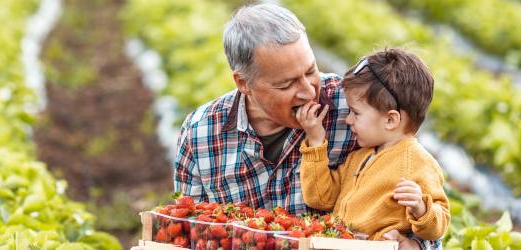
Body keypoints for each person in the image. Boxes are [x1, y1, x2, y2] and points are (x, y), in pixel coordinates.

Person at [172, 3, 440, 249]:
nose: (308, 92)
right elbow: (187, 234)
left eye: (311, 71)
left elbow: (419, 198)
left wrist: (415, 246)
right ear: (243, 83)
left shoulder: (355, 111)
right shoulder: (201, 134)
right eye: (286, 84)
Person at [296, 48, 449, 242]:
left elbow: (440, 222)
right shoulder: (359, 157)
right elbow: (320, 197)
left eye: (355, 113)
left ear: (390, 120)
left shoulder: (418, 162)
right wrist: (316, 142)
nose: (348, 119)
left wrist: (422, 208)